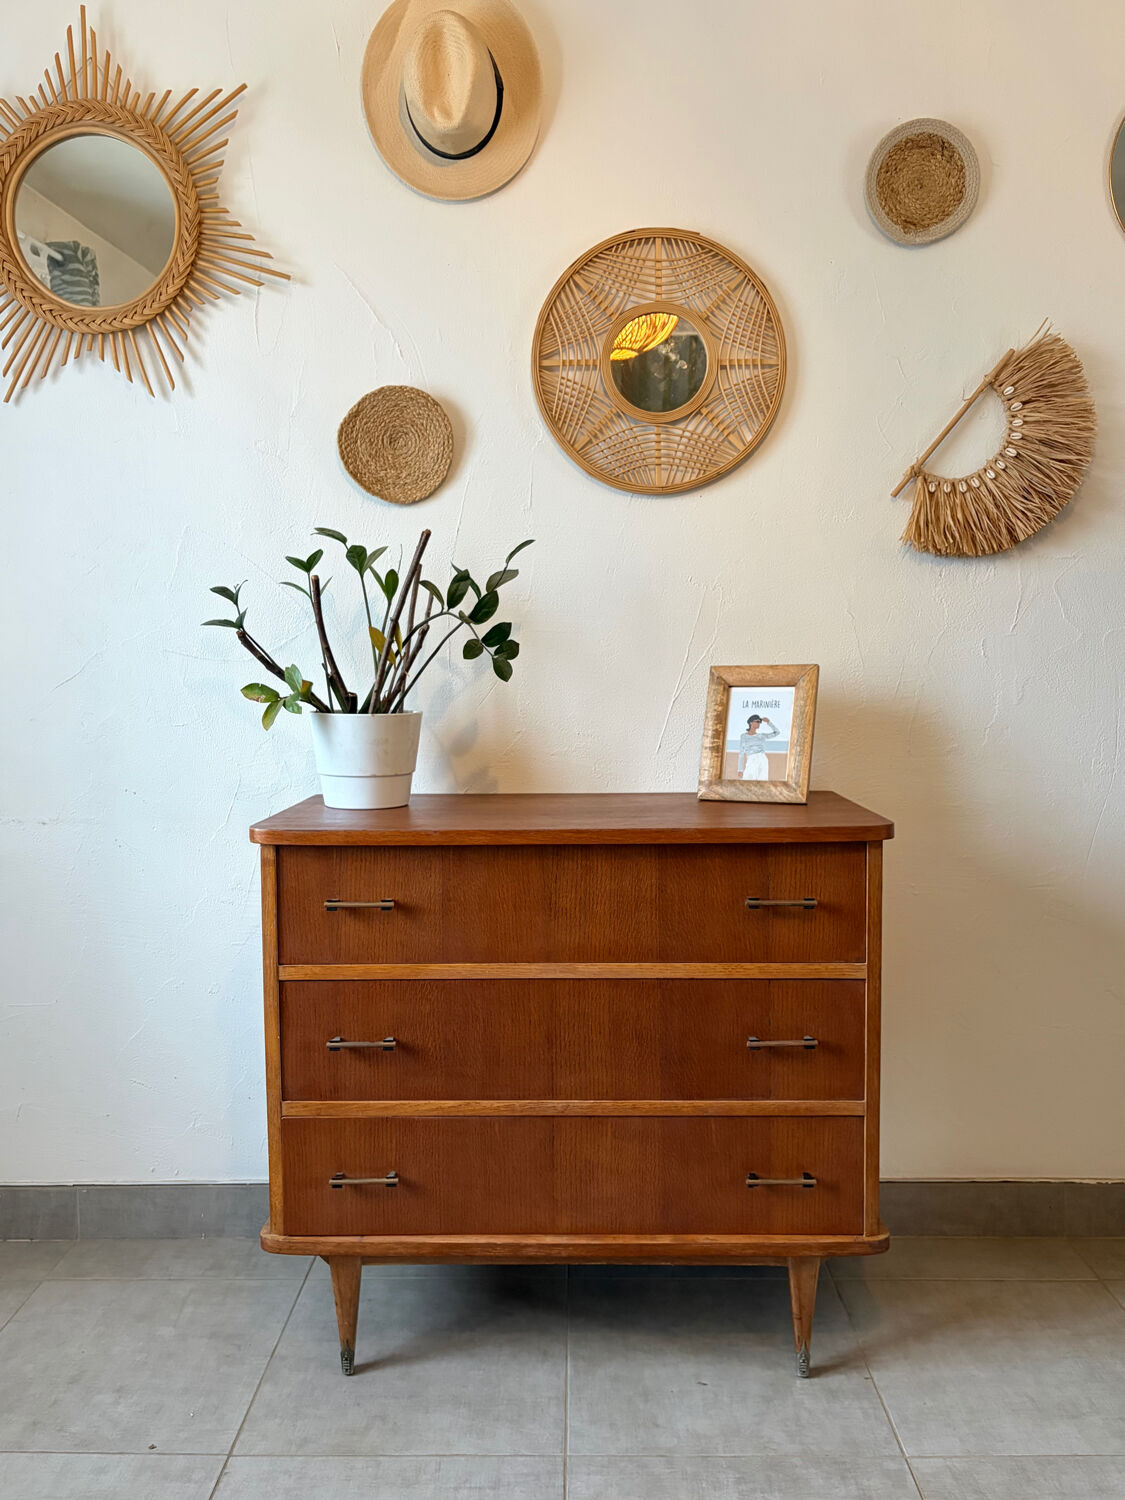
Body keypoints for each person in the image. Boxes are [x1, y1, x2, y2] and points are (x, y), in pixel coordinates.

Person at [737, 714, 779, 780]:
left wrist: (769, 722)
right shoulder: (743, 736)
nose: (759, 723)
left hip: (762, 759)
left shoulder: (761, 736)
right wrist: (740, 769)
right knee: (747, 782)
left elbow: (777, 732)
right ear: (751, 722)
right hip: (751, 759)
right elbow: (741, 754)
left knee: (762, 782)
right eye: (757, 721)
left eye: (760, 722)